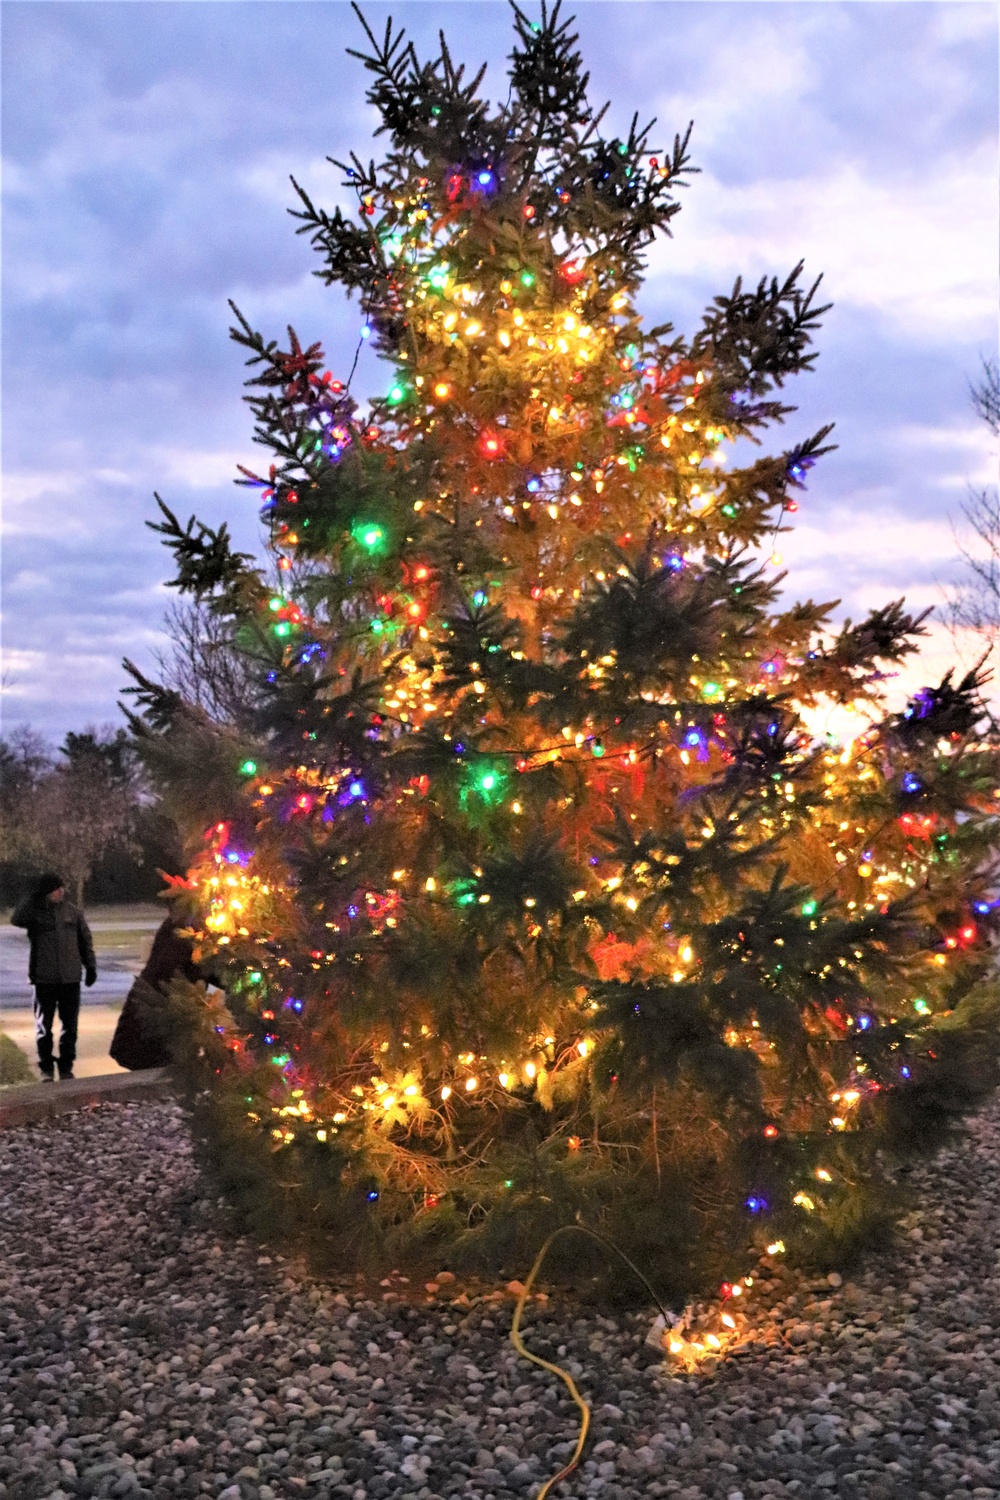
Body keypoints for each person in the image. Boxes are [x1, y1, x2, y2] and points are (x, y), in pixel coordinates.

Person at [11, 873, 96, 1082]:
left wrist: (90, 966)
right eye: (55, 889)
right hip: (44, 978)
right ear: (47, 892)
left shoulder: (73, 913)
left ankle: (66, 1067)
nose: (61, 891)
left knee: (70, 1026)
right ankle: (46, 1068)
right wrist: (32, 896)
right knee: (44, 1026)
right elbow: (17, 919)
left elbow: (85, 941)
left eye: (61, 888)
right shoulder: (35, 914)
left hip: (70, 978)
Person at [110, 914, 206, 1070]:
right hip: (160, 1020)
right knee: (160, 1070)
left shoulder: (177, 924)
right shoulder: (188, 932)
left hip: (153, 1016)